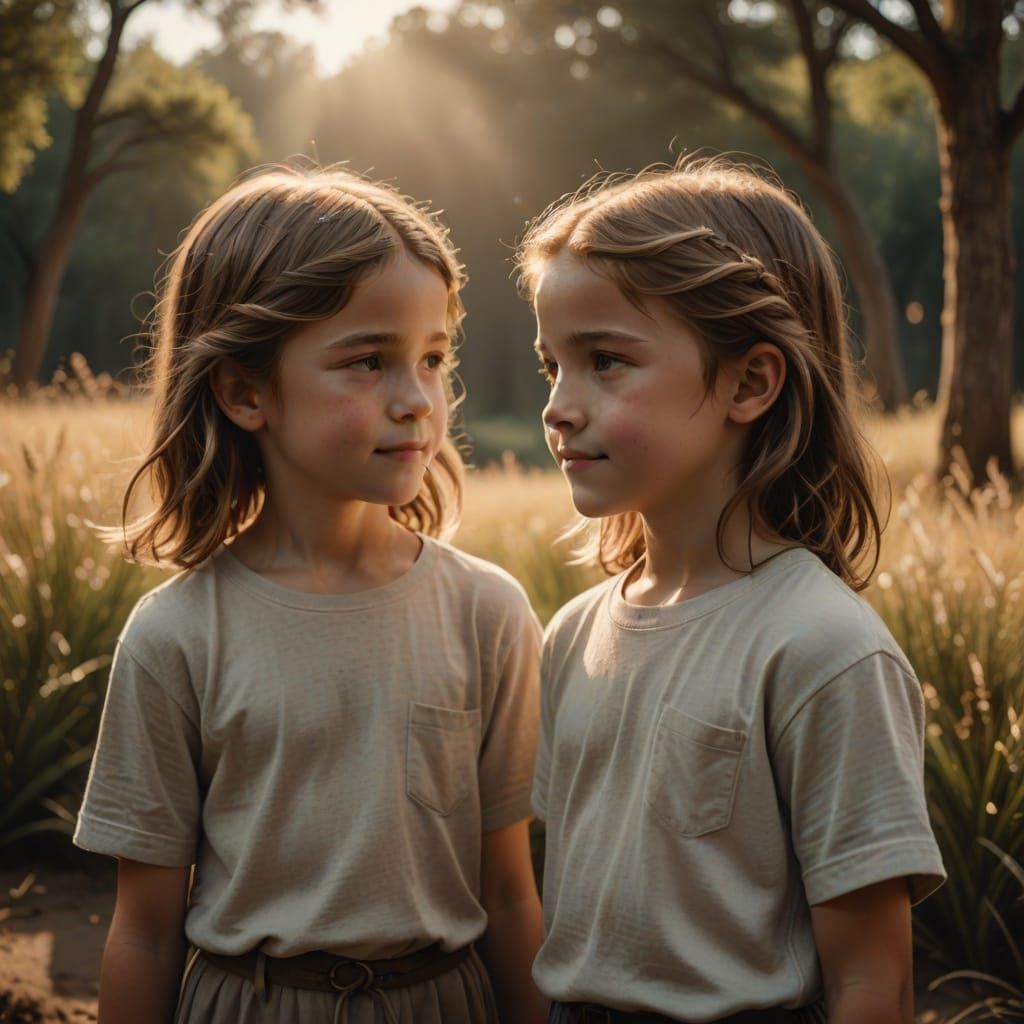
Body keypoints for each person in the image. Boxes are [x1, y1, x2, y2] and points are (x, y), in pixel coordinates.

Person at [74, 166, 547, 1024]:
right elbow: (143, 932)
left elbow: (511, 898)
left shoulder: (490, 613)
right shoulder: (177, 634)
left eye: (433, 358)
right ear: (245, 391)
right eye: (368, 360)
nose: (416, 401)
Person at [517, 158, 946, 1024]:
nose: (560, 406)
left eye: (604, 361)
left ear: (751, 381)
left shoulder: (823, 648)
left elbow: (874, 982)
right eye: (551, 366)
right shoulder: (570, 635)